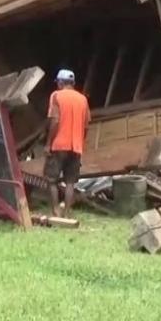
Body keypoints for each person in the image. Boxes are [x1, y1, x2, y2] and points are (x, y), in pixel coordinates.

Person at [44, 69, 90, 218]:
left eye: (58, 82)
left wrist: (48, 143)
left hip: (59, 145)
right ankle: (67, 214)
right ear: (73, 83)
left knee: (51, 180)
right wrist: (80, 141)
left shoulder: (56, 96)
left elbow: (55, 120)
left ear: (61, 82)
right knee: (70, 182)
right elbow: (86, 125)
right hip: (76, 146)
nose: (57, 84)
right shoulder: (83, 99)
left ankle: (56, 211)